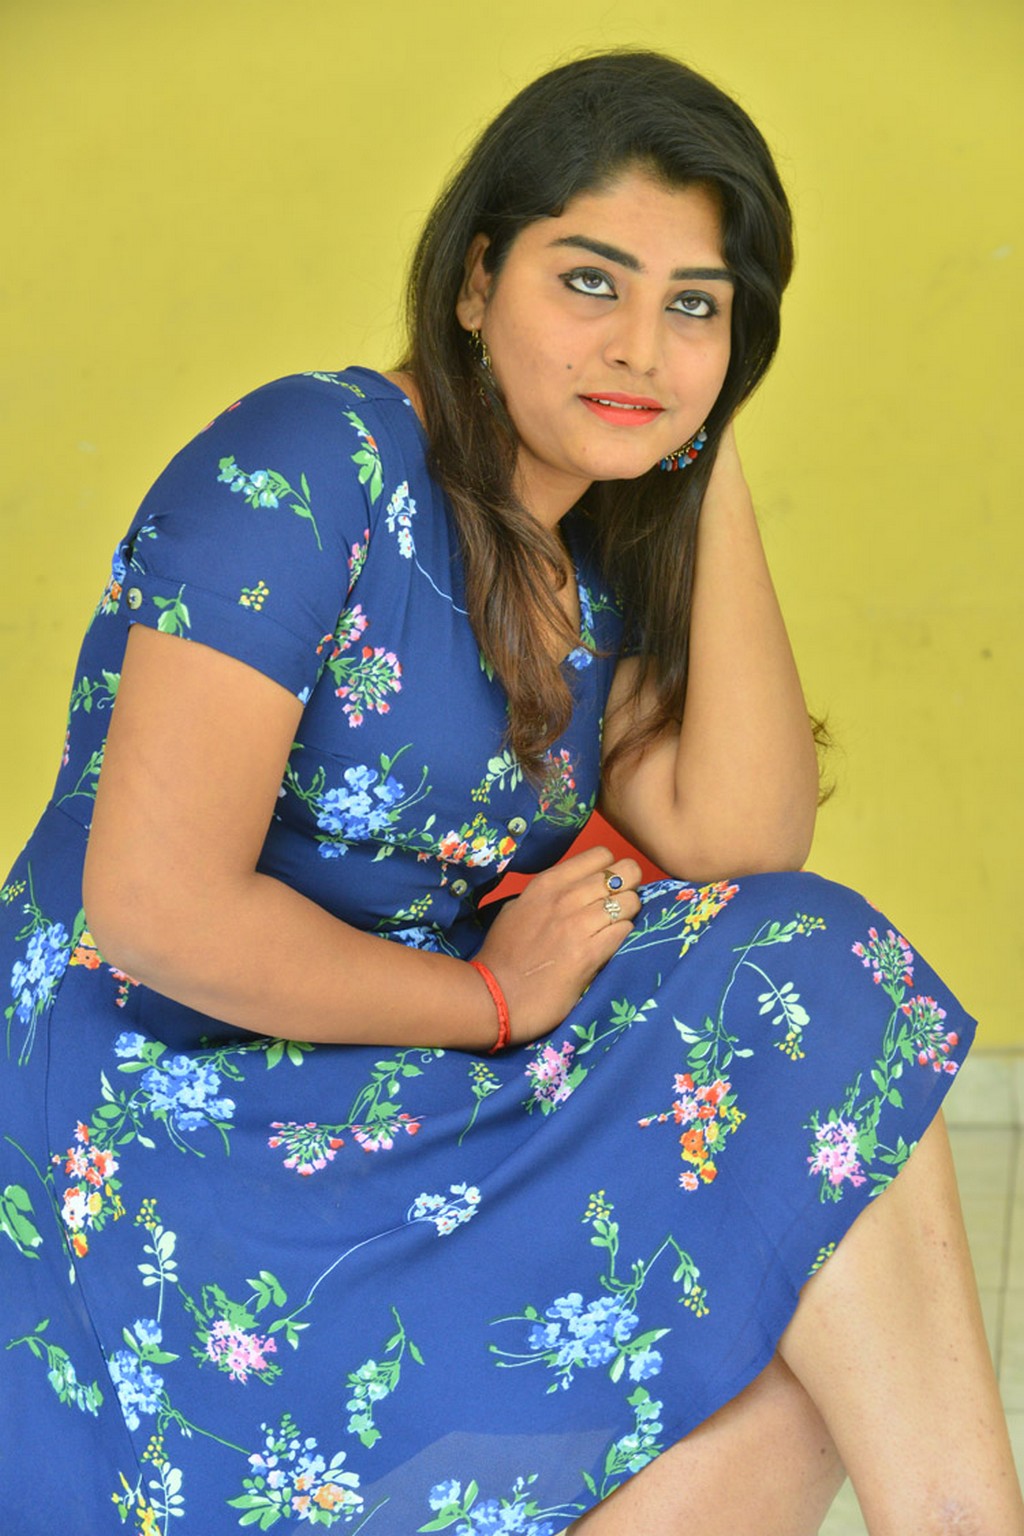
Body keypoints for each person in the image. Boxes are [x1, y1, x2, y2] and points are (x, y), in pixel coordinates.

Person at [1, 47, 1020, 1536]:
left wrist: (702, 443)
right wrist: (490, 999)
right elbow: (154, 910)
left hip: (390, 1075)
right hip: (157, 1109)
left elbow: (745, 842)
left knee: (805, 1186)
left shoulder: (591, 549)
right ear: (477, 282)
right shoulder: (313, 463)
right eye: (591, 283)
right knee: (797, 1233)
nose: (640, 346)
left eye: (697, 307)